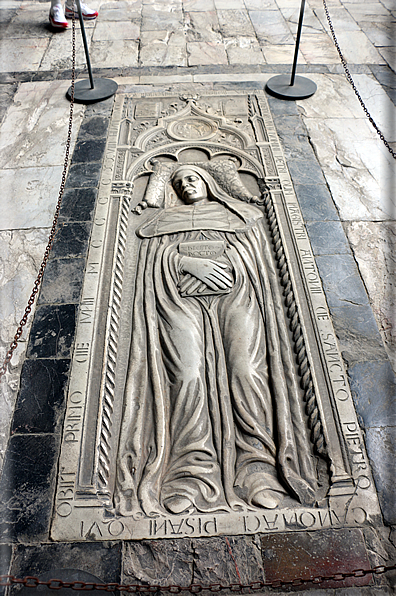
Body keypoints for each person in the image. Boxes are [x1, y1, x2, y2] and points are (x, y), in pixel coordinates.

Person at [115, 164, 317, 517]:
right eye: (178, 182)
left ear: (210, 181)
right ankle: (189, 477)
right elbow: (152, 264)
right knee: (187, 377)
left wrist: (224, 264)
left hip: (236, 296)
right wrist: (183, 262)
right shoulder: (162, 223)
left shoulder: (240, 216)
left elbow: (259, 264)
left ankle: (259, 472)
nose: (186, 185)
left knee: (246, 372)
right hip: (177, 301)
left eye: (192, 178)